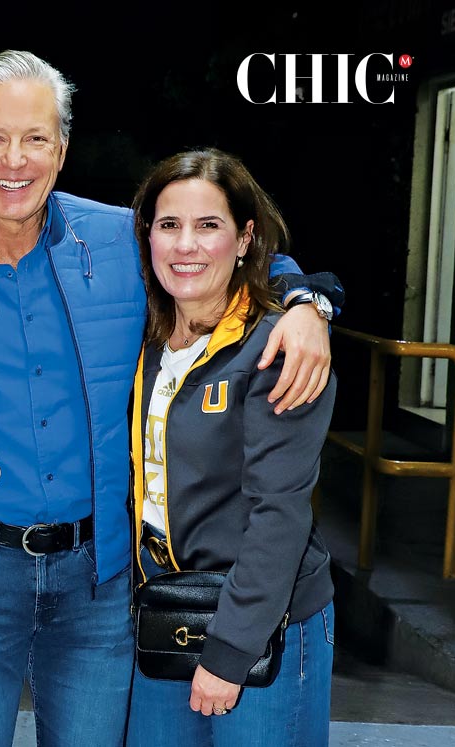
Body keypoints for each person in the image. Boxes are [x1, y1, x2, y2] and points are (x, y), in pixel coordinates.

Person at [0, 49, 342, 746]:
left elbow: (235, 252)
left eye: (35, 138)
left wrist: (307, 303)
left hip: (102, 577)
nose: (14, 160)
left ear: (61, 150)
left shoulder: (121, 238)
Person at [125, 148, 337, 746]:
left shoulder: (278, 348)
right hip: (166, 609)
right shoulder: (138, 335)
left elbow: (280, 514)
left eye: (208, 226)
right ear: (147, 237)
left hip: (262, 622)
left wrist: (230, 651)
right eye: (169, 226)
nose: (185, 245)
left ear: (244, 239)